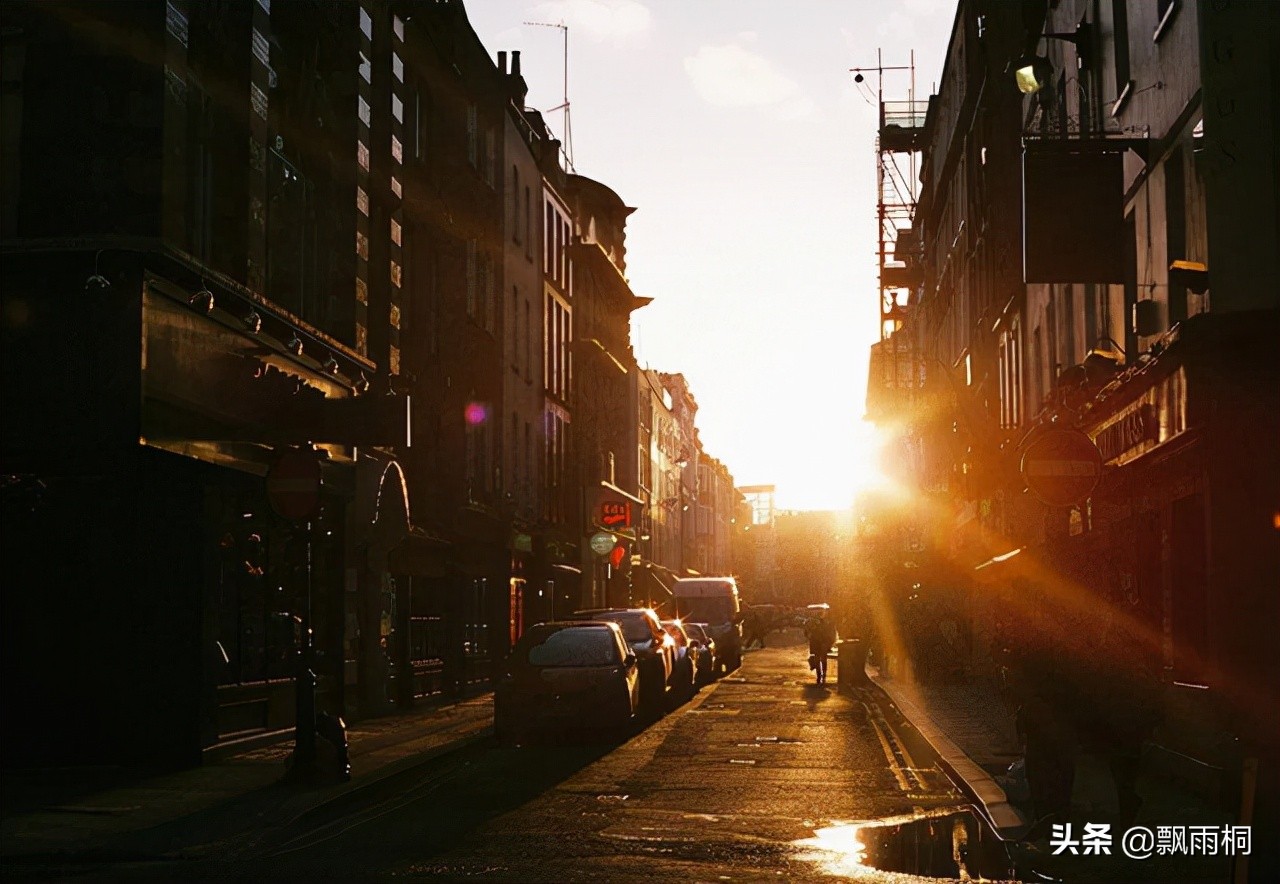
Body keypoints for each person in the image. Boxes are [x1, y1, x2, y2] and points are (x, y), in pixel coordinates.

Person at [805, 607, 837, 686]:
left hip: (818, 642)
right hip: (822, 643)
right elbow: (831, 633)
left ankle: (820, 675)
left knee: (819, 659)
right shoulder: (826, 622)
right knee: (822, 659)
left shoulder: (812, 621)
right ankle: (822, 675)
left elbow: (806, 632)